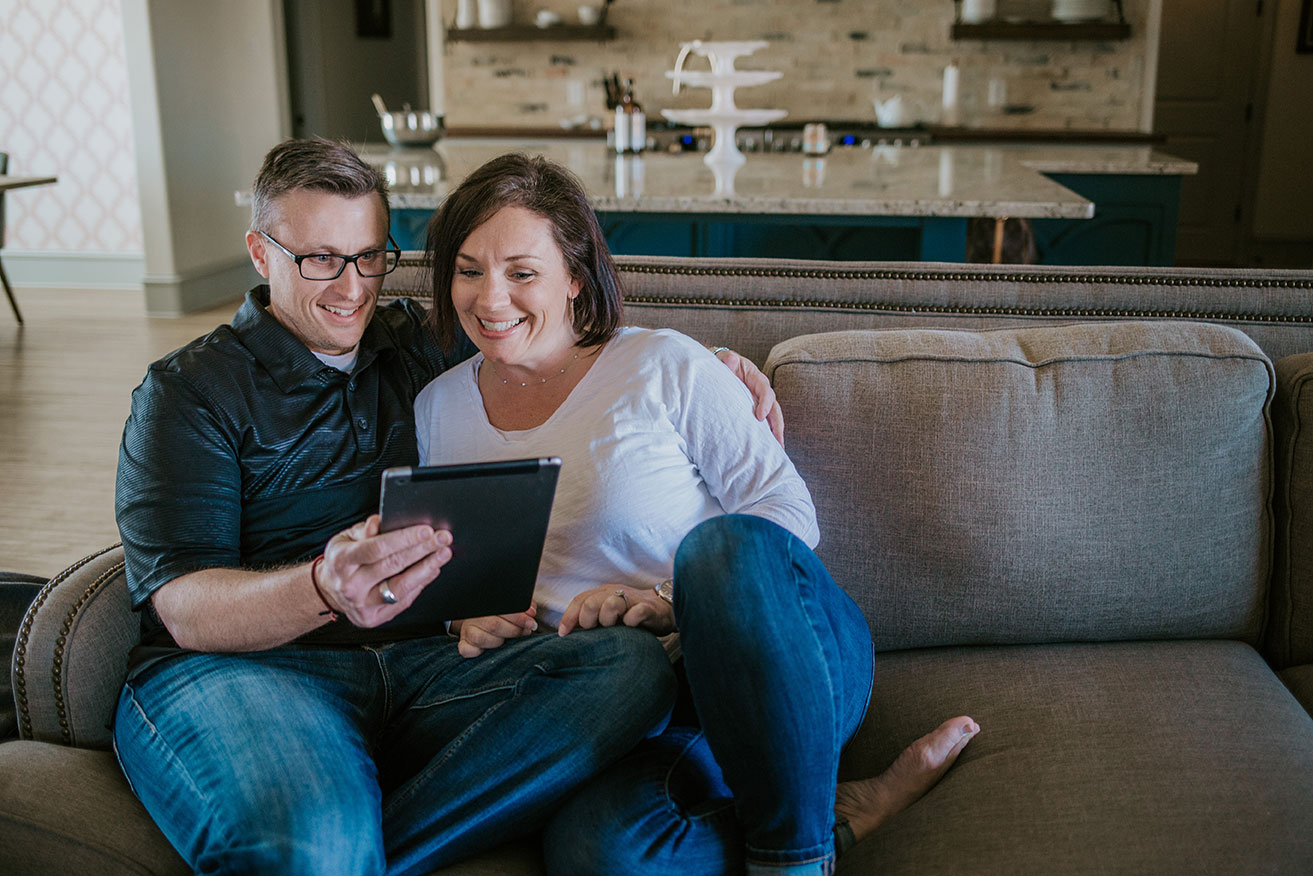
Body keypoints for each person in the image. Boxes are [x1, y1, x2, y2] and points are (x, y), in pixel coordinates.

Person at [112, 137, 776, 876]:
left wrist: (714, 368)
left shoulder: (418, 345)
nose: (351, 287)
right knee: (312, 848)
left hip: (432, 669)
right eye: (320, 259)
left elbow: (556, 328)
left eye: (369, 256)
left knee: (626, 670)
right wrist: (322, 589)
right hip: (256, 674)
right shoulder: (187, 392)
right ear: (260, 253)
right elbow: (185, 608)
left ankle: (378, 858)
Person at [415, 152, 980, 876]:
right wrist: (467, 616)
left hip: (772, 663)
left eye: (521, 271)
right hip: (626, 707)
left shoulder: (662, 365)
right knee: (600, 854)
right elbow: (456, 569)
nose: (491, 299)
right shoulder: (438, 410)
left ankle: (795, 862)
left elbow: (785, 512)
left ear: (574, 278)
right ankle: (833, 813)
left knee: (717, 552)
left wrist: (665, 602)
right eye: (467, 270)